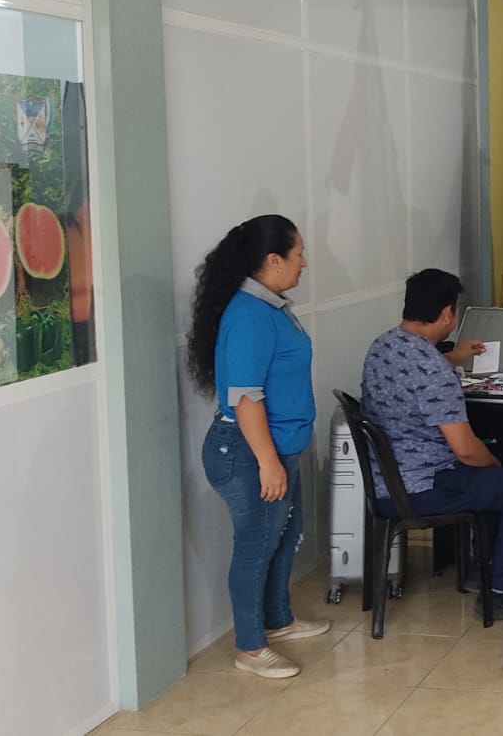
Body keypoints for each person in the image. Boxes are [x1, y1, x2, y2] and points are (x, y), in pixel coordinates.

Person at [186, 214, 330, 679]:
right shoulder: (249, 315)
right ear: (273, 260)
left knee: (286, 533)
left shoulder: (271, 307)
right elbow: (246, 397)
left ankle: (278, 620)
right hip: (247, 452)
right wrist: (268, 462)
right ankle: (250, 647)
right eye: (299, 253)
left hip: (277, 447)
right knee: (256, 545)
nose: (304, 262)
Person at [360, 269, 503, 619]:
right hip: (425, 487)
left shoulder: (383, 346)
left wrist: (455, 357)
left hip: (386, 484)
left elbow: (415, 376)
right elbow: (466, 451)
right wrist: (494, 466)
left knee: (498, 480)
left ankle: (481, 568)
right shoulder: (433, 371)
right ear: (447, 313)